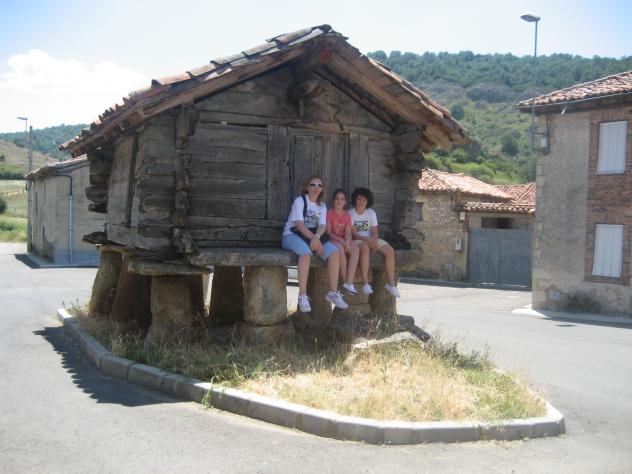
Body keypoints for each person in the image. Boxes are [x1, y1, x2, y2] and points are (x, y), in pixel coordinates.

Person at [281, 175, 348, 313]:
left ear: (322, 189)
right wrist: (316, 241)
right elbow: (300, 226)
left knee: (334, 253)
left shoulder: (322, 206)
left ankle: (333, 293)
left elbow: (322, 226)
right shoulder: (299, 201)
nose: (316, 187)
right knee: (305, 254)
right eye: (313, 185)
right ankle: (302, 296)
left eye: (319, 185)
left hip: (313, 237)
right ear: (307, 187)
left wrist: (317, 238)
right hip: (292, 235)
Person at [349, 187, 400, 297]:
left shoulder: (371, 213)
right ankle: (365, 282)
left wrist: (374, 241)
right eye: (359, 199)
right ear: (355, 200)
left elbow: (374, 232)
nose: (361, 202)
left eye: (364, 200)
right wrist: (368, 241)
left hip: (371, 239)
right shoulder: (350, 213)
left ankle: (391, 284)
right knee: (365, 248)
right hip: (358, 240)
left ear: (368, 201)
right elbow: (354, 234)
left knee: (390, 250)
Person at [326, 189, 360, 295]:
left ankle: (349, 282)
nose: (339, 201)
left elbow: (348, 232)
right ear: (333, 200)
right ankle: (345, 281)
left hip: (344, 240)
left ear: (345, 202)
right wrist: (340, 240)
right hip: (333, 239)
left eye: (342, 199)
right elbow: (328, 232)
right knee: (340, 250)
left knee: (356, 249)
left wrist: (348, 241)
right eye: (337, 199)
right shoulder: (329, 213)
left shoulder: (347, 215)